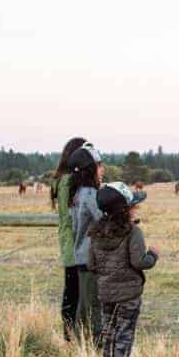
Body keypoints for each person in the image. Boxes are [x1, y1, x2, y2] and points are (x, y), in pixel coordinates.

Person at [87, 182, 159, 357]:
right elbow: (139, 262)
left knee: (108, 333)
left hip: (106, 295)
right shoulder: (133, 232)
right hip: (129, 297)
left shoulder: (96, 232)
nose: (136, 210)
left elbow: (91, 265)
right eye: (134, 206)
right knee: (124, 336)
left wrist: (105, 277)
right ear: (125, 210)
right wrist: (152, 255)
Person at [52, 137, 87, 339]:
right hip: (74, 243)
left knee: (74, 289)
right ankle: (70, 335)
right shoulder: (67, 182)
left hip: (72, 242)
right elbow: (71, 216)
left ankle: (72, 334)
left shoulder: (65, 180)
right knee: (73, 290)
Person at [68, 143, 104, 337]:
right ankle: (96, 351)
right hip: (91, 257)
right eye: (99, 165)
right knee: (93, 308)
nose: (103, 169)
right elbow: (104, 219)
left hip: (81, 256)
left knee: (83, 308)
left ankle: (78, 350)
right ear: (90, 169)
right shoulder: (91, 194)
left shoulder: (77, 193)